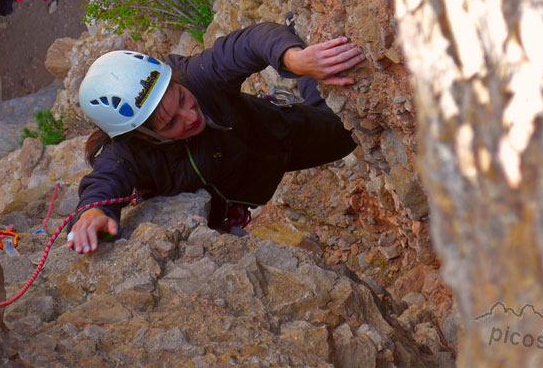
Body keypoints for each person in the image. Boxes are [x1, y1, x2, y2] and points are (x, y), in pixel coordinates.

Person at [66, 21, 366, 254]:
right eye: (171, 122)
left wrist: (293, 59)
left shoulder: (197, 78)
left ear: (175, 80)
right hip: (252, 176)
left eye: (183, 98)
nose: (191, 117)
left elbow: (247, 44)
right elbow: (104, 182)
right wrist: (94, 212)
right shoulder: (129, 154)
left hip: (278, 131)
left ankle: (301, 50)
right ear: (141, 136)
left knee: (346, 132)